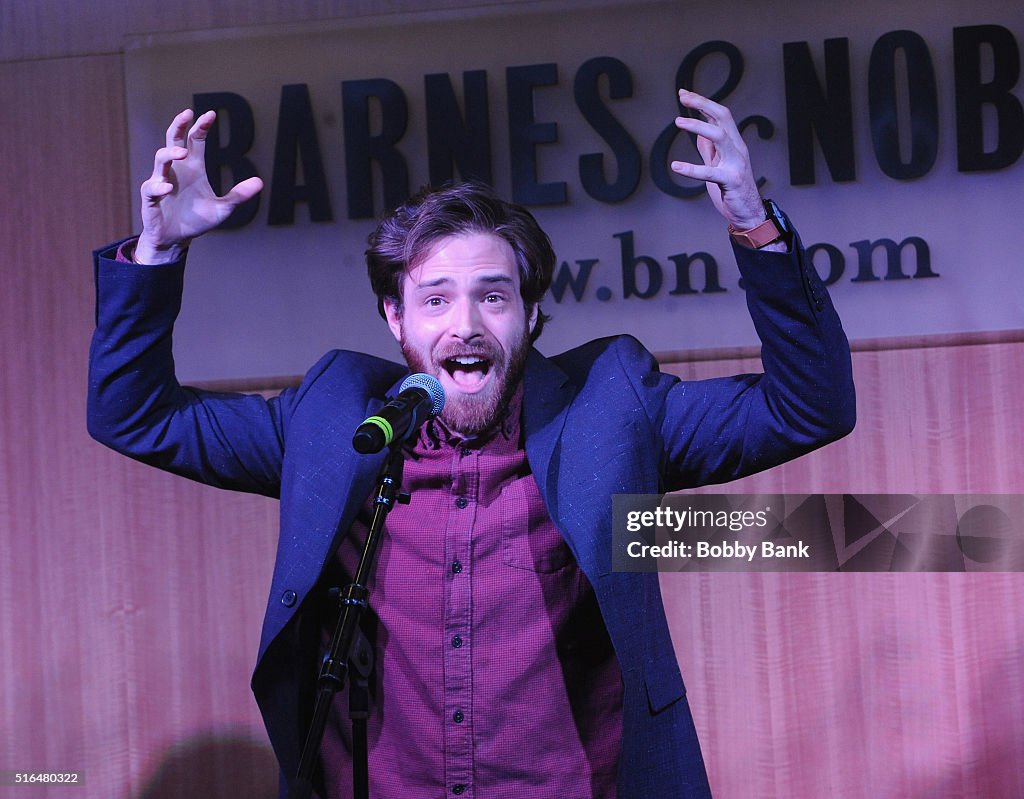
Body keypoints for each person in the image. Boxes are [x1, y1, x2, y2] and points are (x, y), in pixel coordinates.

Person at [88, 89, 855, 798]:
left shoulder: (611, 408)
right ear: (396, 319)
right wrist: (157, 253)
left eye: (493, 295)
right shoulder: (332, 420)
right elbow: (135, 415)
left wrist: (755, 226)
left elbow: (809, 406)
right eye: (436, 298)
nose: (466, 325)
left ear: (528, 314)